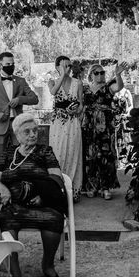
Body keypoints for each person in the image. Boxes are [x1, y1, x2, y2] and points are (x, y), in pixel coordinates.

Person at [0, 113, 67, 277]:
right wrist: (3, 189)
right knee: (4, 221)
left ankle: (48, 265)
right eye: (27, 132)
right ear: (17, 134)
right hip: (15, 205)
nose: (33, 134)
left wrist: (43, 195)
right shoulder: (9, 152)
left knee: (53, 219)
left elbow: (56, 177)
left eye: (35, 130)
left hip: (42, 203)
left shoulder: (44, 151)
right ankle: (15, 276)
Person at [0, 51, 39, 168]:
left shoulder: (20, 81)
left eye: (12, 64)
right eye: (7, 64)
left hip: (19, 125)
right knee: (0, 160)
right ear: (0, 65)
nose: (11, 66)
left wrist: (20, 99)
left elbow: (34, 99)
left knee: (20, 158)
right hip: (0, 124)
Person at [82, 63, 126, 200]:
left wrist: (118, 75)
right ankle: (92, 186)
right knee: (90, 155)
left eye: (102, 72)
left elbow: (119, 87)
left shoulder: (108, 87)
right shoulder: (85, 89)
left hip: (105, 125)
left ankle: (105, 187)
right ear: (91, 75)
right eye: (97, 73)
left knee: (105, 155)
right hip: (89, 125)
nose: (100, 75)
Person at [48, 55, 83, 202]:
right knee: (58, 152)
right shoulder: (52, 82)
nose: (68, 68)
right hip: (57, 123)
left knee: (73, 152)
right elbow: (53, 92)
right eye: (64, 66)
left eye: (69, 66)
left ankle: (73, 190)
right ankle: (58, 188)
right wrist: (62, 75)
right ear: (57, 67)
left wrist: (77, 110)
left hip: (73, 122)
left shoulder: (78, 83)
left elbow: (81, 103)